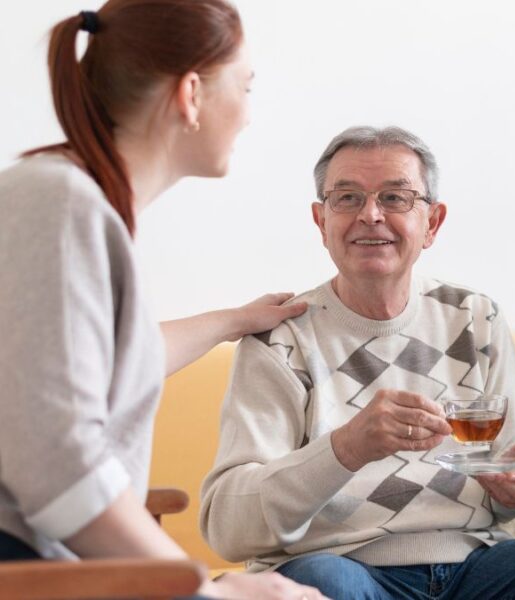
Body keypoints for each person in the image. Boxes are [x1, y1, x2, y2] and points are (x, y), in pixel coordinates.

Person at [199, 126, 515, 600]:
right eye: (347, 198)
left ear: (433, 223)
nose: (370, 214)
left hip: (473, 568)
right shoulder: (280, 339)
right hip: (346, 568)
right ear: (321, 222)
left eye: (395, 198)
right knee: (323, 583)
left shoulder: (474, 317)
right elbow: (227, 528)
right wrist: (346, 448)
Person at [0, 2, 325, 598]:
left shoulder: (76, 203)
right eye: (246, 87)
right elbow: (59, 468)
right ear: (192, 94)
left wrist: (235, 320)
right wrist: (204, 589)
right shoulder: (59, 203)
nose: (250, 114)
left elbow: (116, 363)